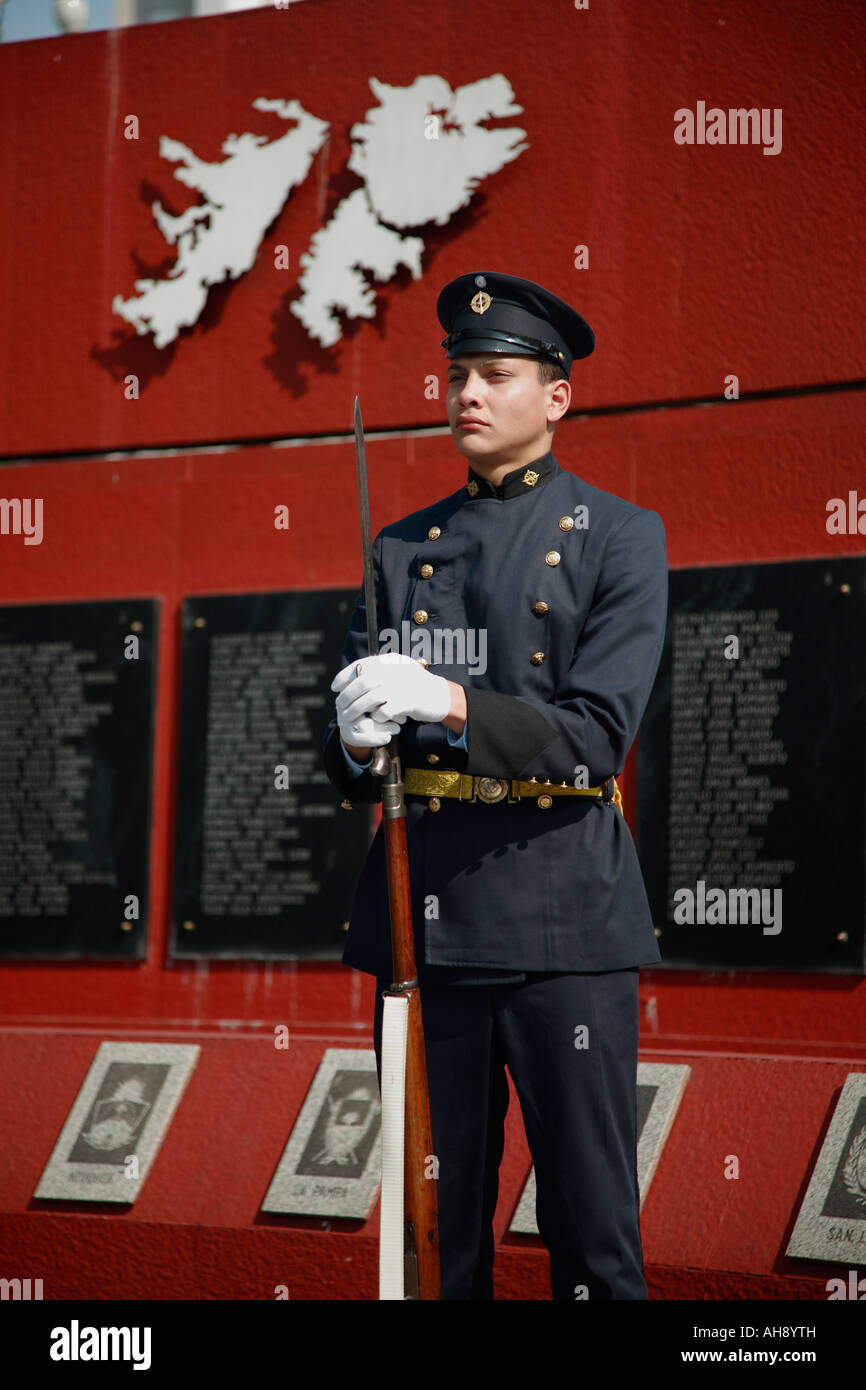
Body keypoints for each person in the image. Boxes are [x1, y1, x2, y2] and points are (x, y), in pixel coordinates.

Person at [321, 271, 668, 1300]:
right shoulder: (398, 549)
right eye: (457, 375)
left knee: (590, 1227)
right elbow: (358, 759)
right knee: (436, 1236)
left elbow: (595, 738)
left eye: (496, 375)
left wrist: (446, 697)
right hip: (428, 919)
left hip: (562, 917)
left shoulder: (617, 536)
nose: (467, 393)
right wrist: (350, 738)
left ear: (555, 397)